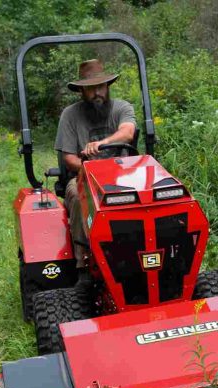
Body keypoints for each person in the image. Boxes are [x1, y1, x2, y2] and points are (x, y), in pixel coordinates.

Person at [54, 59, 137, 283]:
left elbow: (128, 132)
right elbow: (69, 157)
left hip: (122, 173)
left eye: (101, 87)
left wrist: (103, 144)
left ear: (108, 86)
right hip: (84, 174)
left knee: (149, 195)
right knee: (78, 196)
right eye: (91, 88)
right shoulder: (70, 115)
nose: (97, 92)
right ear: (82, 90)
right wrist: (90, 167)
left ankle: (142, 251)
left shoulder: (122, 108)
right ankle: (83, 264)